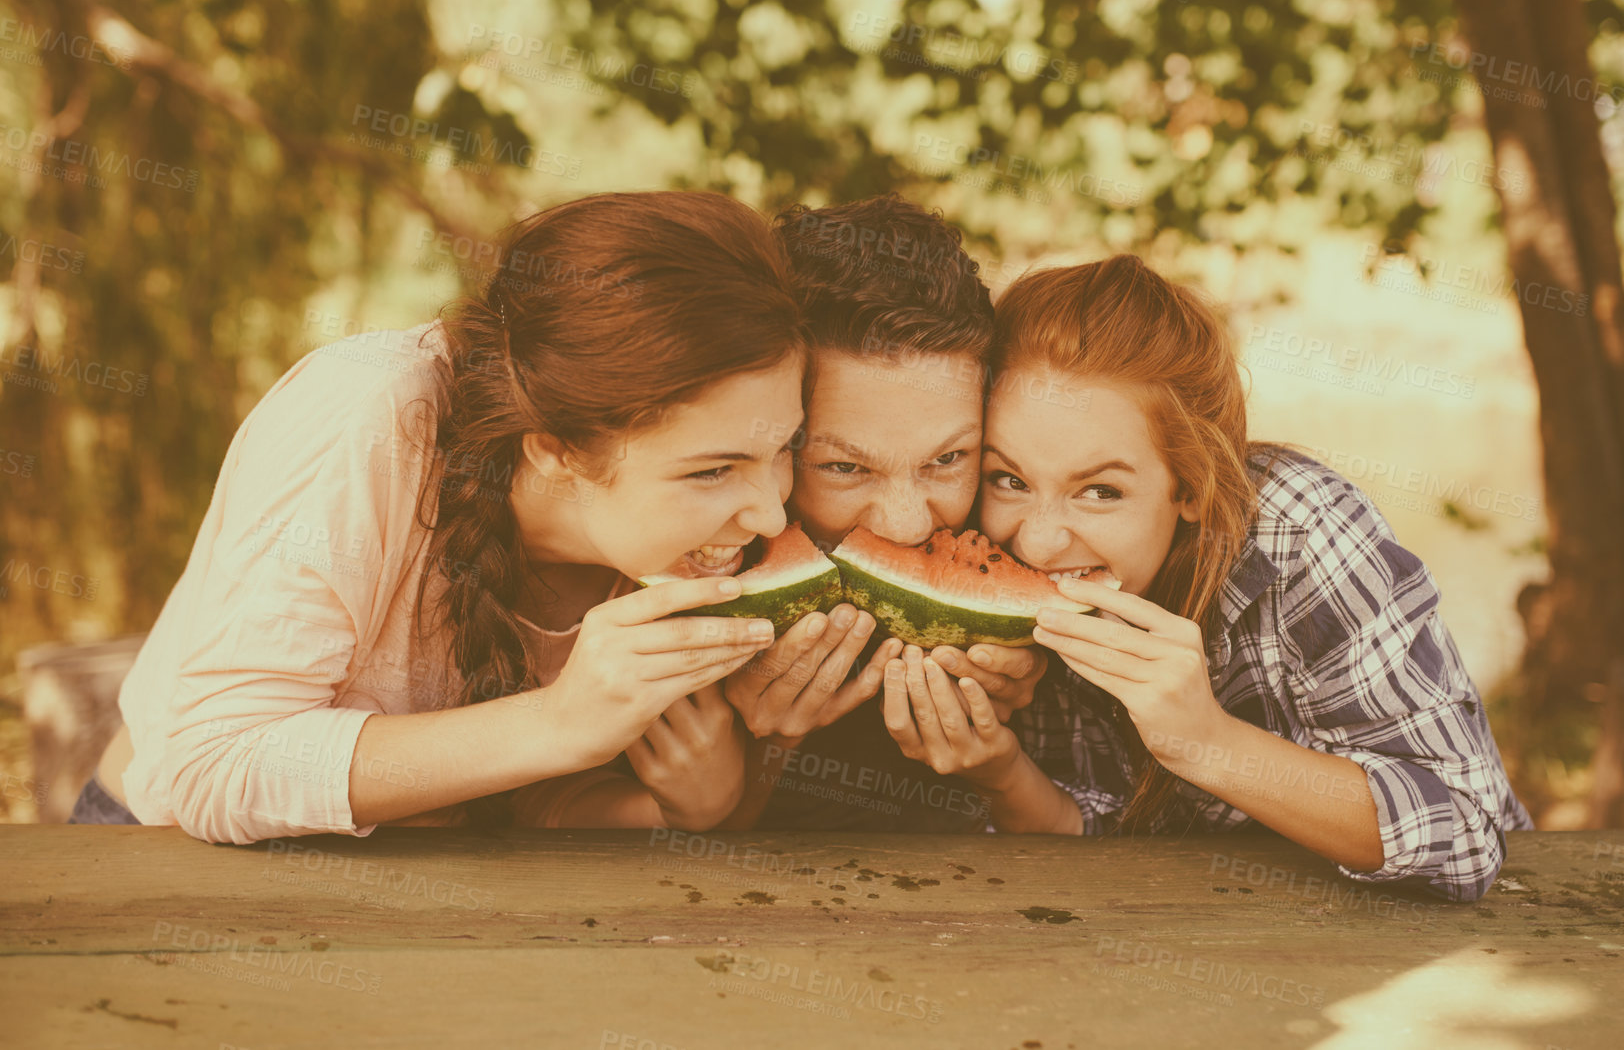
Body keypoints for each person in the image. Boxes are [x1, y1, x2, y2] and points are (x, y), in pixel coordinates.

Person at [73, 192, 806, 843]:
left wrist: (685, 808)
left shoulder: (666, 545)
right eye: (712, 469)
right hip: (162, 861)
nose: (772, 513)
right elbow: (214, 762)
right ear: (555, 451)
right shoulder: (369, 416)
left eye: (786, 447)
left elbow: (517, 796)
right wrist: (558, 720)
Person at [883, 253, 1532, 900]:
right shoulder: (961, 528)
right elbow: (1088, 841)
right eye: (1009, 478)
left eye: (1100, 491)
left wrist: (1207, 741)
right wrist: (999, 771)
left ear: (1189, 486)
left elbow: (1468, 831)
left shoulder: (1301, 534)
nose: (1037, 539)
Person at [720, 195, 1048, 832]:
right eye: (844, 468)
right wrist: (760, 747)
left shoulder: (1034, 523)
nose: (907, 526)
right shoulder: (688, 555)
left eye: (948, 458)